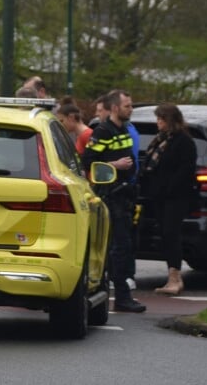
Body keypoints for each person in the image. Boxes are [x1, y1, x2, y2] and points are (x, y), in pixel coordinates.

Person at [82, 89, 145, 312]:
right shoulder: (103, 131)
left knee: (124, 248)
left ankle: (120, 294)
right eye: (128, 106)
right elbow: (87, 161)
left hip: (125, 196)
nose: (131, 109)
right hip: (112, 195)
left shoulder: (124, 130)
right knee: (118, 248)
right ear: (116, 108)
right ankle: (120, 297)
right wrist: (114, 166)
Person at [140, 103, 197, 295]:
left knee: (171, 234)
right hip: (159, 198)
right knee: (165, 236)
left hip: (175, 198)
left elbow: (185, 171)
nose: (158, 123)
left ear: (170, 121)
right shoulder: (160, 140)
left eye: (161, 119)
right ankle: (172, 276)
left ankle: (175, 277)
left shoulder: (183, 142)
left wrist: (168, 188)